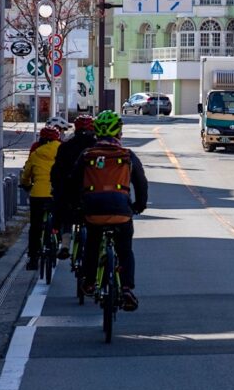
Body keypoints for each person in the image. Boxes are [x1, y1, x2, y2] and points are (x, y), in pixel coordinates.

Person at [67, 110, 147, 311]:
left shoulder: (87, 155)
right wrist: (139, 205)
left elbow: (73, 183)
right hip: (121, 209)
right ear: (119, 132)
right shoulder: (127, 155)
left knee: (93, 244)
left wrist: (76, 206)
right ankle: (127, 288)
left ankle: (89, 282)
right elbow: (141, 183)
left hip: (93, 209)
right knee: (125, 250)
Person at [50, 114, 97, 259]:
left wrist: (56, 187)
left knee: (66, 214)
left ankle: (65, 244)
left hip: (69, 190)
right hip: (92, 192)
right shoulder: (97, 147)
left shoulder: (65, 146)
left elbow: (56, 171)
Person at [20, 126, 61, 271]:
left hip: (38, 194)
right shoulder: (62, 150)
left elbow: (26, 175)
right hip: (56, 193)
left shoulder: (36, 153)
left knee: (35, 227)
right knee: (60, 218)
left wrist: (25, 184)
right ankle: (58, 240)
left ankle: (33, 258)